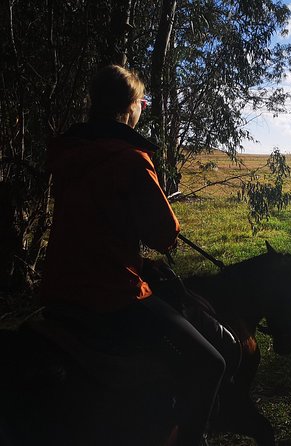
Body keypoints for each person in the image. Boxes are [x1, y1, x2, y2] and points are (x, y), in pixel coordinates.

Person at [40, 64, 224, 446]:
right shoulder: (130, 158)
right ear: (130, 106)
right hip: (111, 295)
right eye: (142, 100)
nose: (143, 106)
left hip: (57, 288)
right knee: (212, 363)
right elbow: (163, 232)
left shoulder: (69, 152)